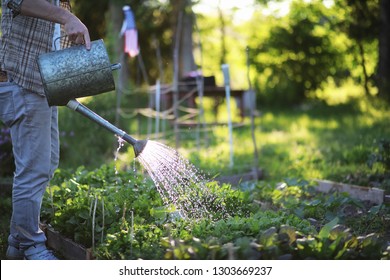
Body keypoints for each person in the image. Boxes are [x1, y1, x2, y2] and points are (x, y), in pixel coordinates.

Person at [0, 0, 91, 260]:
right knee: (34, 169)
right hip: (22, 80)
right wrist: (67, 17)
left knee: (46, 163)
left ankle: (17, 243)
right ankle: (31, 245)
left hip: (42, 83)